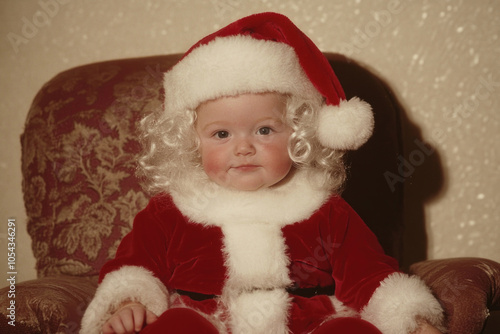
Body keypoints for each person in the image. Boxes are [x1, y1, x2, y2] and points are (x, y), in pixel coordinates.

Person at [80, 12, 446, 334]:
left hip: (305, 324)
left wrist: (411, 319)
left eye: (264, 130)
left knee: (349, 329)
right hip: (205, 320)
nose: (243, 148)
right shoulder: (170, 211)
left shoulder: (324, 210)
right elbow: (135, 266)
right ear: (192, 141)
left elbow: (370, 275)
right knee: (177, 326)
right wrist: (128, 303)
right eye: (221, 134)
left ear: (299, 133)